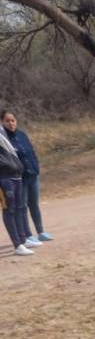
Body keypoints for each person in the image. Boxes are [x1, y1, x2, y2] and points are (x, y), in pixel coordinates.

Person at [1, 109, 52, 244]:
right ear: (2, 122)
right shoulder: (4, 139)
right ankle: (28, 235)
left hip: (32, 175)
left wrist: (36, 167)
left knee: (34, 204)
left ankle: (40, 232)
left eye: (13, 120)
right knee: (21, 207)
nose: (11, 123)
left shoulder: (22, 134)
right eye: (7, 121)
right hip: (19, 177)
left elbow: (31, 151)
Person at [0, 126, 33, 256]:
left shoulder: (2, 130)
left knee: (19, 208)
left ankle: (23, 239)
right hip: (4, 178)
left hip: (16, 174)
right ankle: (17, 244)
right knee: (9, 209)